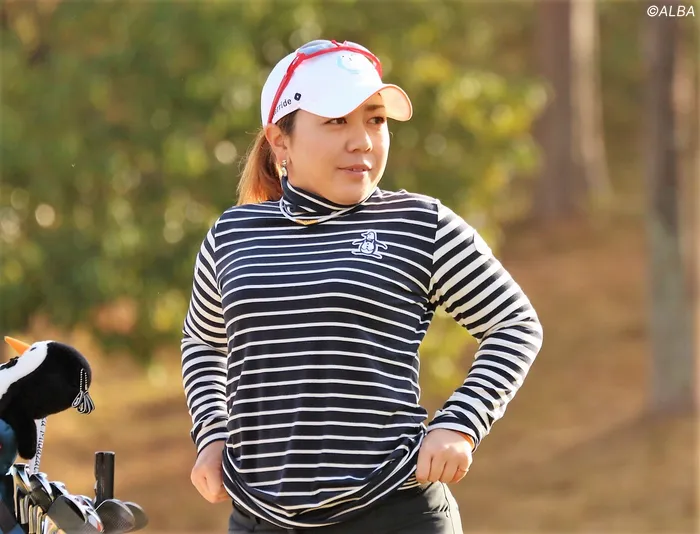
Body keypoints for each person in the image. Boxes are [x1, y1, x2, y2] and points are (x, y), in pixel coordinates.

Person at [180, 39, 543, 534]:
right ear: (280, 140)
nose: (363, 141)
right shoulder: (232, 235)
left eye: (375, 120)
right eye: (336, 121)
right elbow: (203, 341)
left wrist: (460, 422)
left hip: (394, 511)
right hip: (261, 517)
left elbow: (515, 324)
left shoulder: (420, 224)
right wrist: (212, 433)